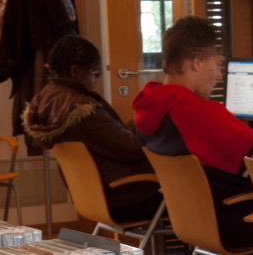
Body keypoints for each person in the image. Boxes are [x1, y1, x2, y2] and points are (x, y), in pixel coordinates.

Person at [132, 15, 253, 246]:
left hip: (196, 223)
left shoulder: (149, 108)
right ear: (196, 62)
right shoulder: (195, 113)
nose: (220, 75)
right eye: (218, 64)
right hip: (239, 223)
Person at [22, 35, 160, 223]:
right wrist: (153, 121)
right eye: (95, 74)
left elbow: (114, 136)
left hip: (95, 198)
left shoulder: (51, 100)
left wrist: (138, 122)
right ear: (75, 71)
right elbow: (131, 149)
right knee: (192, 191)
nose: (97, 81)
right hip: (123, 198)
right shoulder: (81, 109)